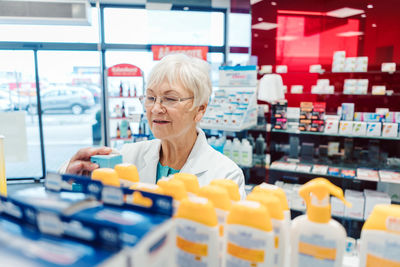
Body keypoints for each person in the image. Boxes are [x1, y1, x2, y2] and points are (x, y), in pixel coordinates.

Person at [63, 54, 246, 198]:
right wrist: (70, 176)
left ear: (200, 109)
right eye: (151, 98)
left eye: (170, 99)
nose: (156, 108)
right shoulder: (128, 156)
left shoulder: (226, 175)